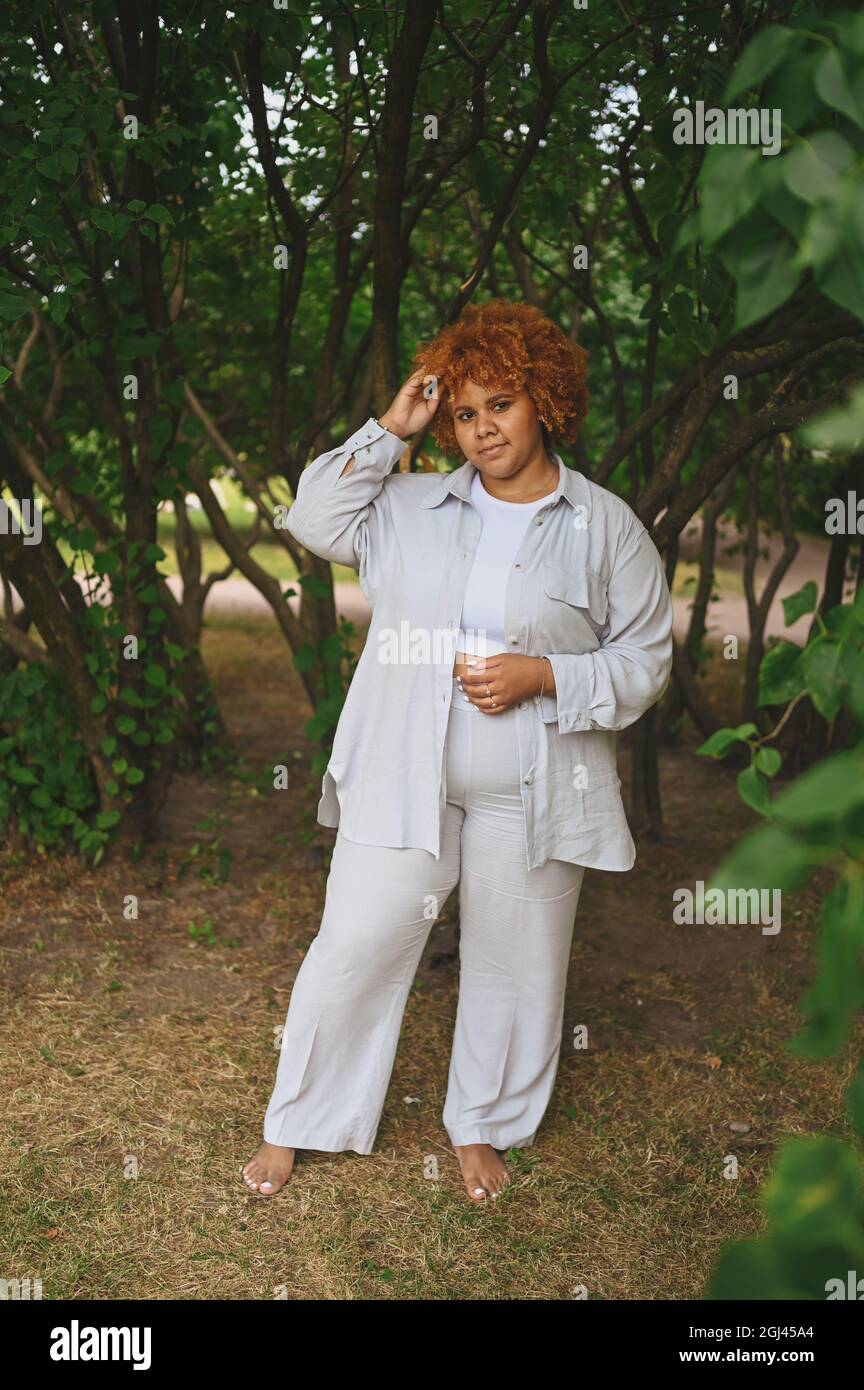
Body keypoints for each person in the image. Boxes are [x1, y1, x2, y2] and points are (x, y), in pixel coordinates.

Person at [242, 299, 674, 1203]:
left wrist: (545, 676)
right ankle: (301, 1118)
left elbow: (644, 661)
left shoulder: (608, 527)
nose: (482, 431)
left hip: (537, 782)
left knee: (517, 962)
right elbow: (311, 516)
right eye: (464, 414)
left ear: (544, 400)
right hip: (405, 772)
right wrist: (392, 428)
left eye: (501, 406)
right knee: (355, 939)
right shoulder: (408, 504)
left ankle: (483, 1124)